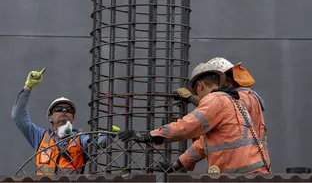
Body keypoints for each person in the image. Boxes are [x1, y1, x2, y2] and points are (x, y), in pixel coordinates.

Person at [118, 63, 269, 174]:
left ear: (200, 85)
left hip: (243, 176)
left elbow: (188, 126)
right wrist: (175, 166)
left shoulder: (215, 99)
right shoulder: (230, 101)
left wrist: (151, 136)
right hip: (253, 173)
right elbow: (202, 145)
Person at [11, 68, 120, 175]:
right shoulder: (40, 137)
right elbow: (18, 116)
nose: (64, 111)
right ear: (50, 117)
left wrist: (109, 134)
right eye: (58, 109)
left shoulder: (80, 139)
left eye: (69, 110)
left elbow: (96, 142)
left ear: (73, 118)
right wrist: (28, 87)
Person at [175, 57, 271, 171]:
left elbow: (222, 107)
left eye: (217, 83)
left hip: (249, 171)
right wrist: (178, 164)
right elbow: (202, 144)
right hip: (242, 170)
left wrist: (191, 97)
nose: (214, 89)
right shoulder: (236, 102)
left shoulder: (245, 97)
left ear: (227, 81)